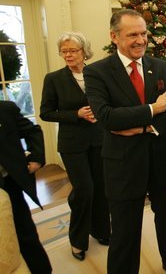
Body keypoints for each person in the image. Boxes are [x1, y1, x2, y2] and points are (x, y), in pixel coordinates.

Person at [83, 9, 166, 274]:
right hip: (123, 164)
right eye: (132, 35)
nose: (141, 40)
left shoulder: (159, 66)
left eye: (143, 33)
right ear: (114, 36)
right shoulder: (97, 72)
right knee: (125, 229)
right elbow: (106, 117)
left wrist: (145, 127)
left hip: (160, 158)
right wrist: (153, 109)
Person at [40, 32, 110, 261]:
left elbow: (109, 101)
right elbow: (46, 113)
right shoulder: (54, 79)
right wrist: (76, 114)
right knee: (84, 190)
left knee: (100, 188)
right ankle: (78, 241)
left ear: (84, 52)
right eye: (65, 51)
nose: (68, 55)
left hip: (99, 139)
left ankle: (100, 231)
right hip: (72, 144)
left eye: (73, 50)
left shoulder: (97, 74)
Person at [0, 101, 52, 273]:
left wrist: (36, 157)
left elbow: (33, 131)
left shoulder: (5, 109)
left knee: (25, 232)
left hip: (9, 185)